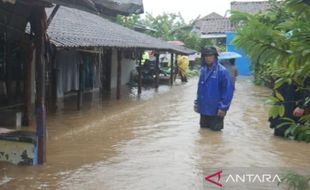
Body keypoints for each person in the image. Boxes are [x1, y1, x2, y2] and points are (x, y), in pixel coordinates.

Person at [194, 47, 234, 131]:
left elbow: (228, 91)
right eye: (206, 56)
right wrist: (197, 103)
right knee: (203, 132)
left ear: (215, 56)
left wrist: (223, 108)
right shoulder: (203, 70)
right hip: (203, 108)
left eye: (210, 56)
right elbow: (200, 88)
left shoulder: (222, 71)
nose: (208, 58)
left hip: (216, 110)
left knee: (215, 134)